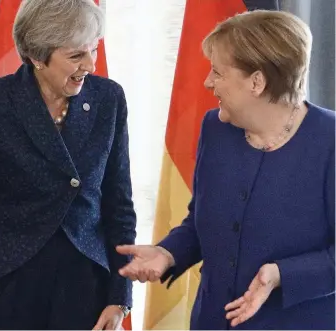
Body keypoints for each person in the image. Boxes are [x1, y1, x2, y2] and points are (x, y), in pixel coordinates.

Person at [117, 9, 334, 330]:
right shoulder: (215, 129)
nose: (207, 82)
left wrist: (280, 275)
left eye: (217, 72)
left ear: (256, 82)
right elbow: (201, 222)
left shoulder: (330, 140)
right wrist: (168, 253)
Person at [0, 0, 136, 329]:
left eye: (93, 49)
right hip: (5, 286)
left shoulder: (108, 99)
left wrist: (120, 295)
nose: (91, 65)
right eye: (76, 55)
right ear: (38, 56)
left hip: (85, 286)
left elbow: (118, 202)